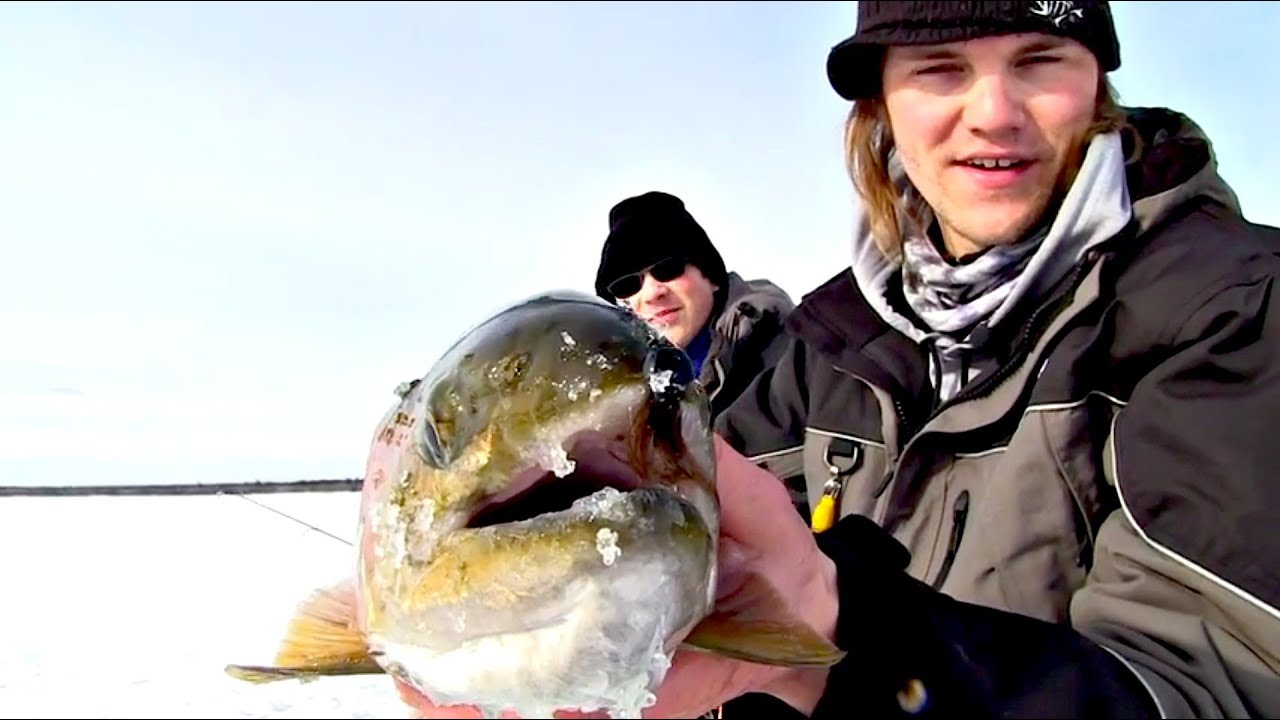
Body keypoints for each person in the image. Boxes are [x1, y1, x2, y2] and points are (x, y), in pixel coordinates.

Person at [396, 2, 1280, 718]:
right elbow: (711, 559)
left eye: (1040, 57)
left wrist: (836, 641)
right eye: (940, 69)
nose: (995, 112)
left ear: (1096, 83)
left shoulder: (1235, 308)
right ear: (883, 105)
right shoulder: (825, 352)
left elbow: (1217, 682)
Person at [592, 190, 797, 429]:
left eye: (668, 269)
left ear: (711, 276)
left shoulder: (787, 356)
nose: (651, 293)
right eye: (627, 285)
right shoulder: (625, 394)